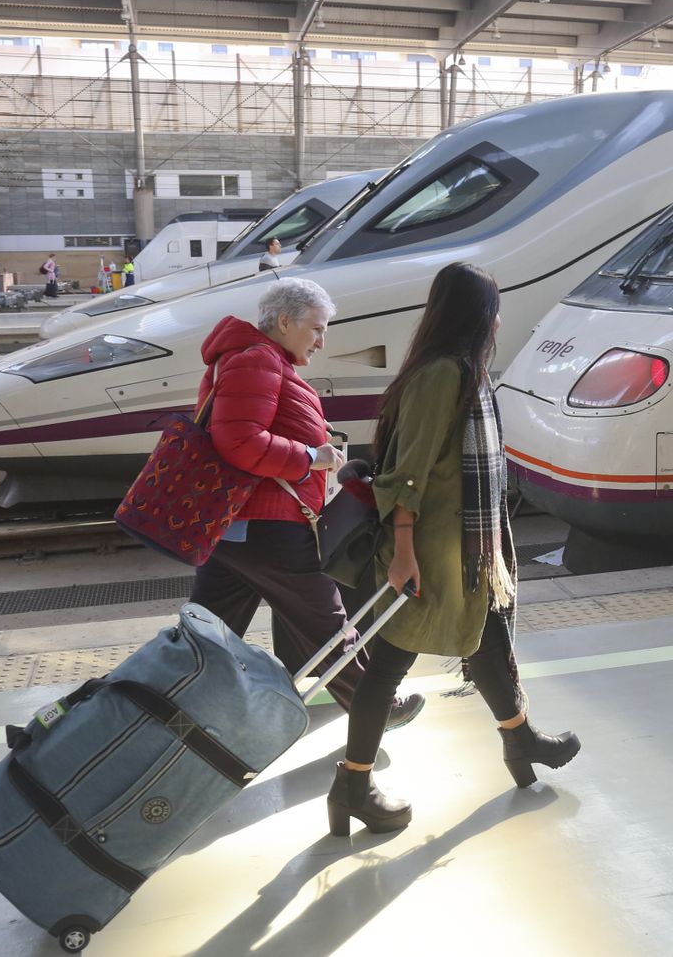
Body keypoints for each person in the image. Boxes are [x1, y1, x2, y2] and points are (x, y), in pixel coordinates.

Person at [328, 262, 579, 838]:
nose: (498, 320)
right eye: (493, 308)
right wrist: (404, 552)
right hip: (432, 550)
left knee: (486, 639)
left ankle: (520, 741)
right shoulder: (444, 375)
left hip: (468, 552)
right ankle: (353, 783)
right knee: (389, 663)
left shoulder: (465, 372)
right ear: (476, 316)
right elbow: (407, 474)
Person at [189, 278, 424, 732]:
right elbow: (238, 440)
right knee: (329, 621)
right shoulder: (257, 359)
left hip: (238, 529)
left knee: (203, 637)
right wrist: (311, 457)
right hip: (270, 527)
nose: (321, 340)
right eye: (317, 328)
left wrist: (311, 437)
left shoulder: (253, 358)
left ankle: (155, 705)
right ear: (283, 321)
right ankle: (376, 705)